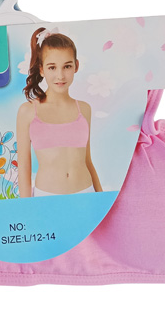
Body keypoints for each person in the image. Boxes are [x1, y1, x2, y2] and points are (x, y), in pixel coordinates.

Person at [16, 28, 103, 197]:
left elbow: (87, 161)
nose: (60, 75)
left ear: (76, 66)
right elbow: (24, 169)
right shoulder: (27, 112)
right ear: (42, 69)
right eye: (52, 67)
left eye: (67, 66)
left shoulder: (84, 109)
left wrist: (102, 198)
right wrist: (26, 208)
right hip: (47, 198)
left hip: (86, 194)